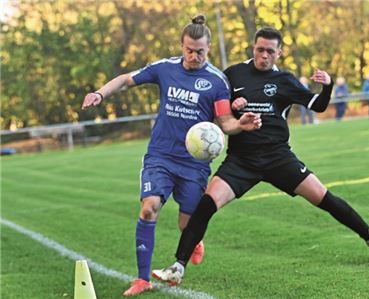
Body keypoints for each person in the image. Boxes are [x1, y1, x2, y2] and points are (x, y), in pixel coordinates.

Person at [152, 27, 369, 286]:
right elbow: (219, 110)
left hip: (278, 158)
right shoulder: (233, 74)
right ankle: (177, 267)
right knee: (206, 205)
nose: (264, 55)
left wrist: (326, 87)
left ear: (279, 53)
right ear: (253, 48)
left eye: (270, 51)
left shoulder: (285, 80)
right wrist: (233, 105)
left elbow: (318, 105)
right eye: (260, 49)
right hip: (241, 160)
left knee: (324, 198)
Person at [81, 15, 261, 297]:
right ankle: (142, 279)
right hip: (160, 157)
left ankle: (194, 240)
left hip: (194, 164)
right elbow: (126, 80)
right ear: (181, 45)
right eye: (189, 49)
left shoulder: (217, 82)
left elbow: (224, 121)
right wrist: (100, 93)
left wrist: (241, 125)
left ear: (209, 48)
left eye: (200, 51)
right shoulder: (165, 68)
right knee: (149, 207)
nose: (193, 56)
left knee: (186, 225)